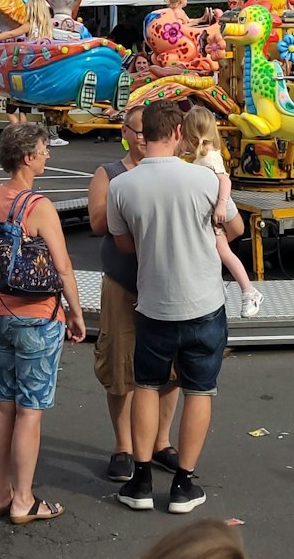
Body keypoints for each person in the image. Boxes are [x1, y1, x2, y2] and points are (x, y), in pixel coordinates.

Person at [107, 101, 243, 515]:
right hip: (203, 302)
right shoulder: (204, 180)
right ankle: (184, 484)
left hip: (153, 303)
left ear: (142, 134)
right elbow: (234, 228)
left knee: (146, 386)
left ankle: (141, 479)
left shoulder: (122, 185)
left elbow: (123, 243)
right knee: (199, 390)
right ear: (180, 132)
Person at [0, 122, 85, 522]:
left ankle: (0, 494)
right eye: (44, 150)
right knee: (30, 410)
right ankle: (24, 500)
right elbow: (63, 268)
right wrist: (76, 315)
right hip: (38, 316)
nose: (48, 155)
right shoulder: (39, 206)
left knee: (2, 404)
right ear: (28, 157)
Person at [88, 102, 185, 484]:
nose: (143, 137)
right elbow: (98, 222)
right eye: (136, 130)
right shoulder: (109, 174)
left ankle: (161, 442)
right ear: (124, 133)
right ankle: (123, 446)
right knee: (119, 366)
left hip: (166, 284)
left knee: (171, 370)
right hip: (124, 284)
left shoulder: (175, 171)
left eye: (149, 130)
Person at [179, 108, 263, 316]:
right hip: (209, 214)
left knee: (224, 253)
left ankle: (249, 292)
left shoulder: (209, 159)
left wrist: (222, 205)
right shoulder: (204, 155)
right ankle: (222, 289)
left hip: (213, 214)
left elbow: (224, 180)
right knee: (214, 254)